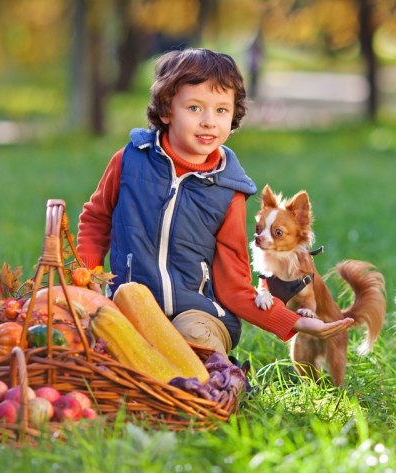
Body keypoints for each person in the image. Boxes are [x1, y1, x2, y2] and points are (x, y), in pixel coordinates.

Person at [76, 48, 352, 355]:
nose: (209, 121)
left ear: (234, 115)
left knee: (192, 339)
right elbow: (96, 219)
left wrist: (292, 322)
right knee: (104, 345)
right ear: (167, 111)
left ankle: (206, 382)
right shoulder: (130, 161)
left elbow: (234, 286)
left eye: (221, 110)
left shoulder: (228, 192)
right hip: (129, 306)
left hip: (199, 314)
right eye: (194, 108)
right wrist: (86, 278)